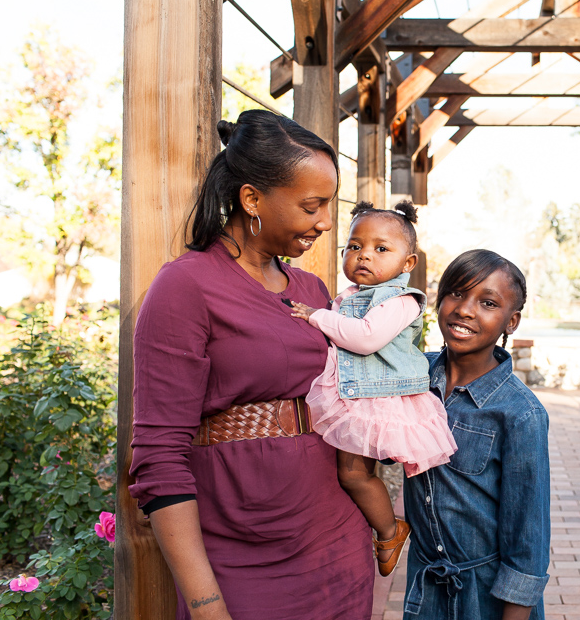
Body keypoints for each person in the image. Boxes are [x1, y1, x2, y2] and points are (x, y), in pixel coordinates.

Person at [129, 109, 374, 620]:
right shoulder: (186, 286)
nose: (327, 221)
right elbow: (158, 455)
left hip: (336, 547)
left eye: (329, 205)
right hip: (240, 556)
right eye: (313, 205)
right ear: (252, 199)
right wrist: (204, 601)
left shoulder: (312, 292)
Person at [288, 200, 458, 577]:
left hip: (382, 398)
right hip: (359, 395)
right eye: (354, 247)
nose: (364, 255)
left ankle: (390, 529)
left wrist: (316, 316)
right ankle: (386, 528)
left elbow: (366, 339)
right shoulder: (349, 296)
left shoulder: (401, 301)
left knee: (353, 474)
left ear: (407, 264)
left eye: (381, 249)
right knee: (350, 472)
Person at [402, 250, 551, 620]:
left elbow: (527, 539)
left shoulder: (521, 414)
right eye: (455, 293)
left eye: (487, 303)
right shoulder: (412, 379)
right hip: (425, 587)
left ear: (511, 322)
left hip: (487, 597)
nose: (464, 310)